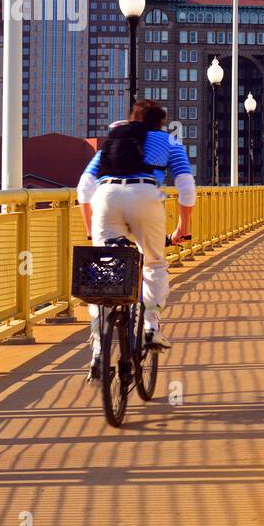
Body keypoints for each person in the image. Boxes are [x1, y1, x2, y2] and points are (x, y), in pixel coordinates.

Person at [77, 99, 194, 382]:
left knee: (103, 274)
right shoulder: (168, 142)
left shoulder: (112, 141)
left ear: (132, 119)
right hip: (144, 196)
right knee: (153, 263)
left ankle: (97, 348)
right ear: (160, 123)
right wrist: (182, 228)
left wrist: (92, 232)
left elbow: (83, 188)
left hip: (106, 197)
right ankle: (151, 327)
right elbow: (186, 186)